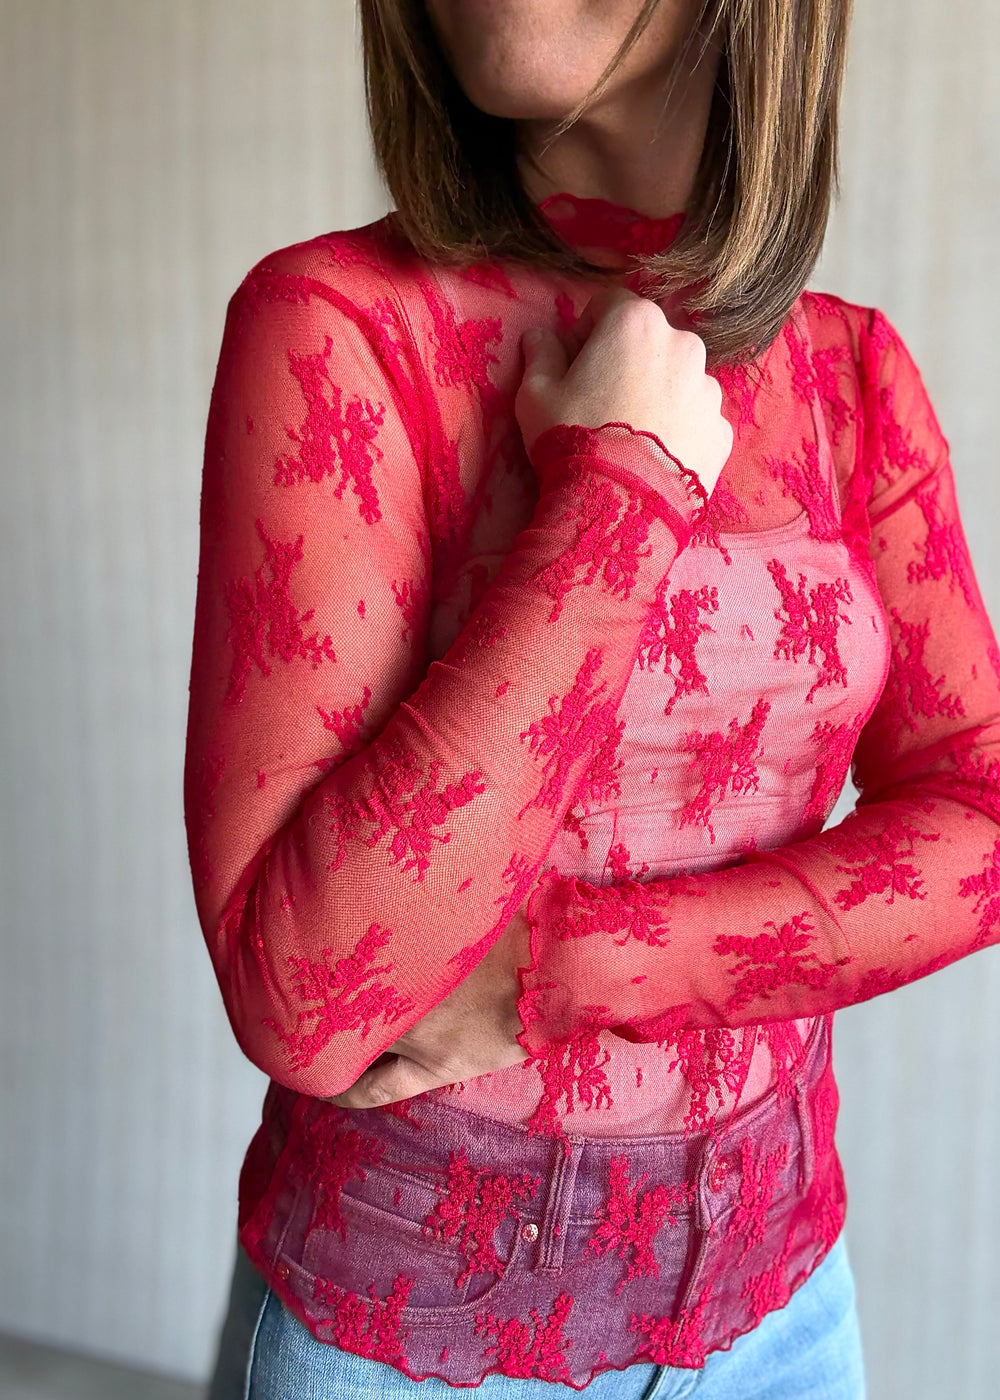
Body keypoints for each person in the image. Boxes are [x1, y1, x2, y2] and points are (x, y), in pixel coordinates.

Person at [184, 1, 1000, 1396]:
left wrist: (568, 972)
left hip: (786, 1309)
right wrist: (621, 488)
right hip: (417, 1339)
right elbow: (304, 999)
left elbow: (980, 819)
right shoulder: (336, 328)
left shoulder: (854, 376)